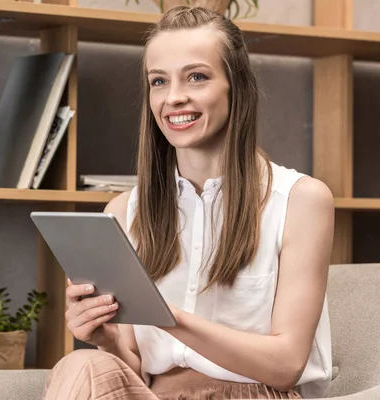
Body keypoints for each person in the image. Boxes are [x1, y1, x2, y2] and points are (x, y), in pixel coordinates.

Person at [42, 5, 334, 400]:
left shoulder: (301, 201)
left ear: (236, 86)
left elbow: (286, 364)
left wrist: (168, 318)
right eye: (159, 81)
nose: (174, 98)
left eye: (196, 77)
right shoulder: (124, 213)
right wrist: (108, 339)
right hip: (154, 394)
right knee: (80, 364)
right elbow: (138, 373)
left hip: (255, 394)